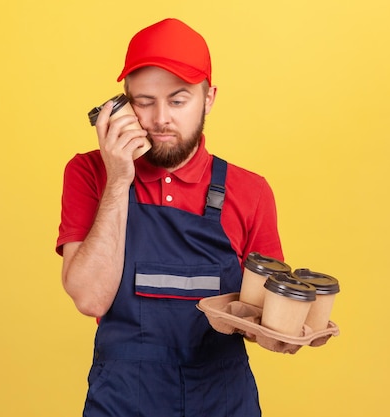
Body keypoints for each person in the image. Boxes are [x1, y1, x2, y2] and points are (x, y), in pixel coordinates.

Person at [56, 18, 283, 417]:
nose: (160, 119)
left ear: (208, 98)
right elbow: (90, 298)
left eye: (178, 101)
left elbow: (264, 311)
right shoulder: (89, 173)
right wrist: (119, 178)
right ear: (122, 102)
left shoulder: (251, 192)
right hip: (123, 401)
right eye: (144, 101)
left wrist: (283, 330)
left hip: (222, 400)